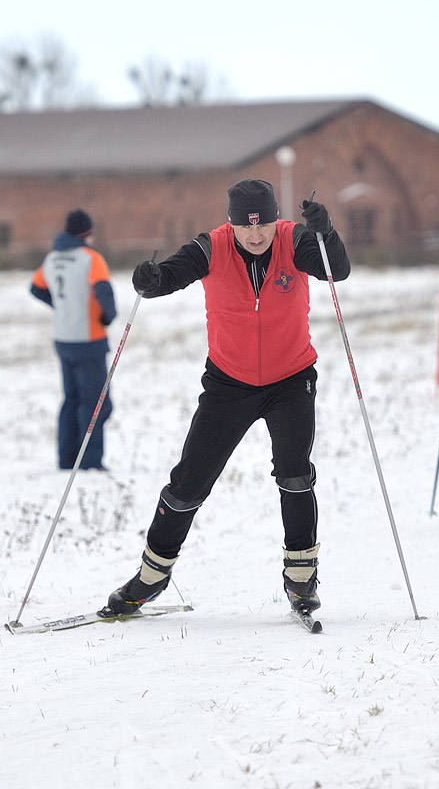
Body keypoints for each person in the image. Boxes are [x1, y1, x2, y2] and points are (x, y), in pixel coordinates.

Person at [104, 178, 349, 617]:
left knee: (294, 474)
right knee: (187, 484)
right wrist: (152, 279)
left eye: (264, 226)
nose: (256, 236)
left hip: (291, 379)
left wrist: (325, 231)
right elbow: (171, 276)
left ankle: (301, 577)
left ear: (276, 219)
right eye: (245, 227)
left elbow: (337, 270)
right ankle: (152, 575)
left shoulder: (294, 240)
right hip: (228, 383)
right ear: (231, 224)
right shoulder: (211, 247)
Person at [30, 209, 117, 471]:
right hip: (89, 338)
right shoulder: (91, 259)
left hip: (63, 338)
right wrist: (106, 317)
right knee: (96, 402)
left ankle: (67, 459)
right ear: (88, 233)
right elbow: (103, 291)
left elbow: (36, 288)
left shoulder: (52, 258)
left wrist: (61, 307)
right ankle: (90, 462)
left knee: (72, 400)